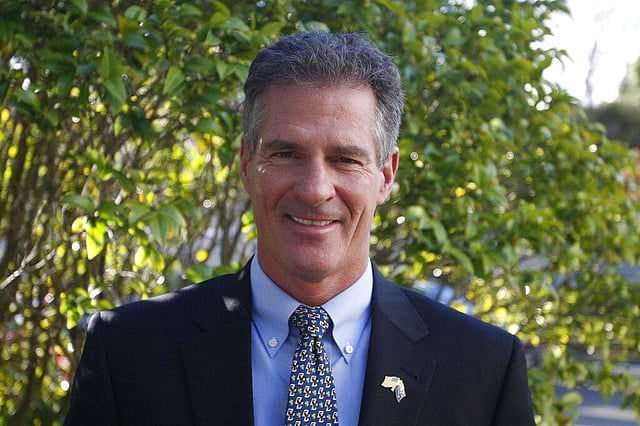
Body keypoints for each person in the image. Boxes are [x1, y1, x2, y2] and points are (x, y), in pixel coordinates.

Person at [65, 32, 535, 425]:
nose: (315, 190)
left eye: (345, 159)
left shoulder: (483, 368)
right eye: (286, 153)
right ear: (247, 164)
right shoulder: (128, 352)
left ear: (385, 176)